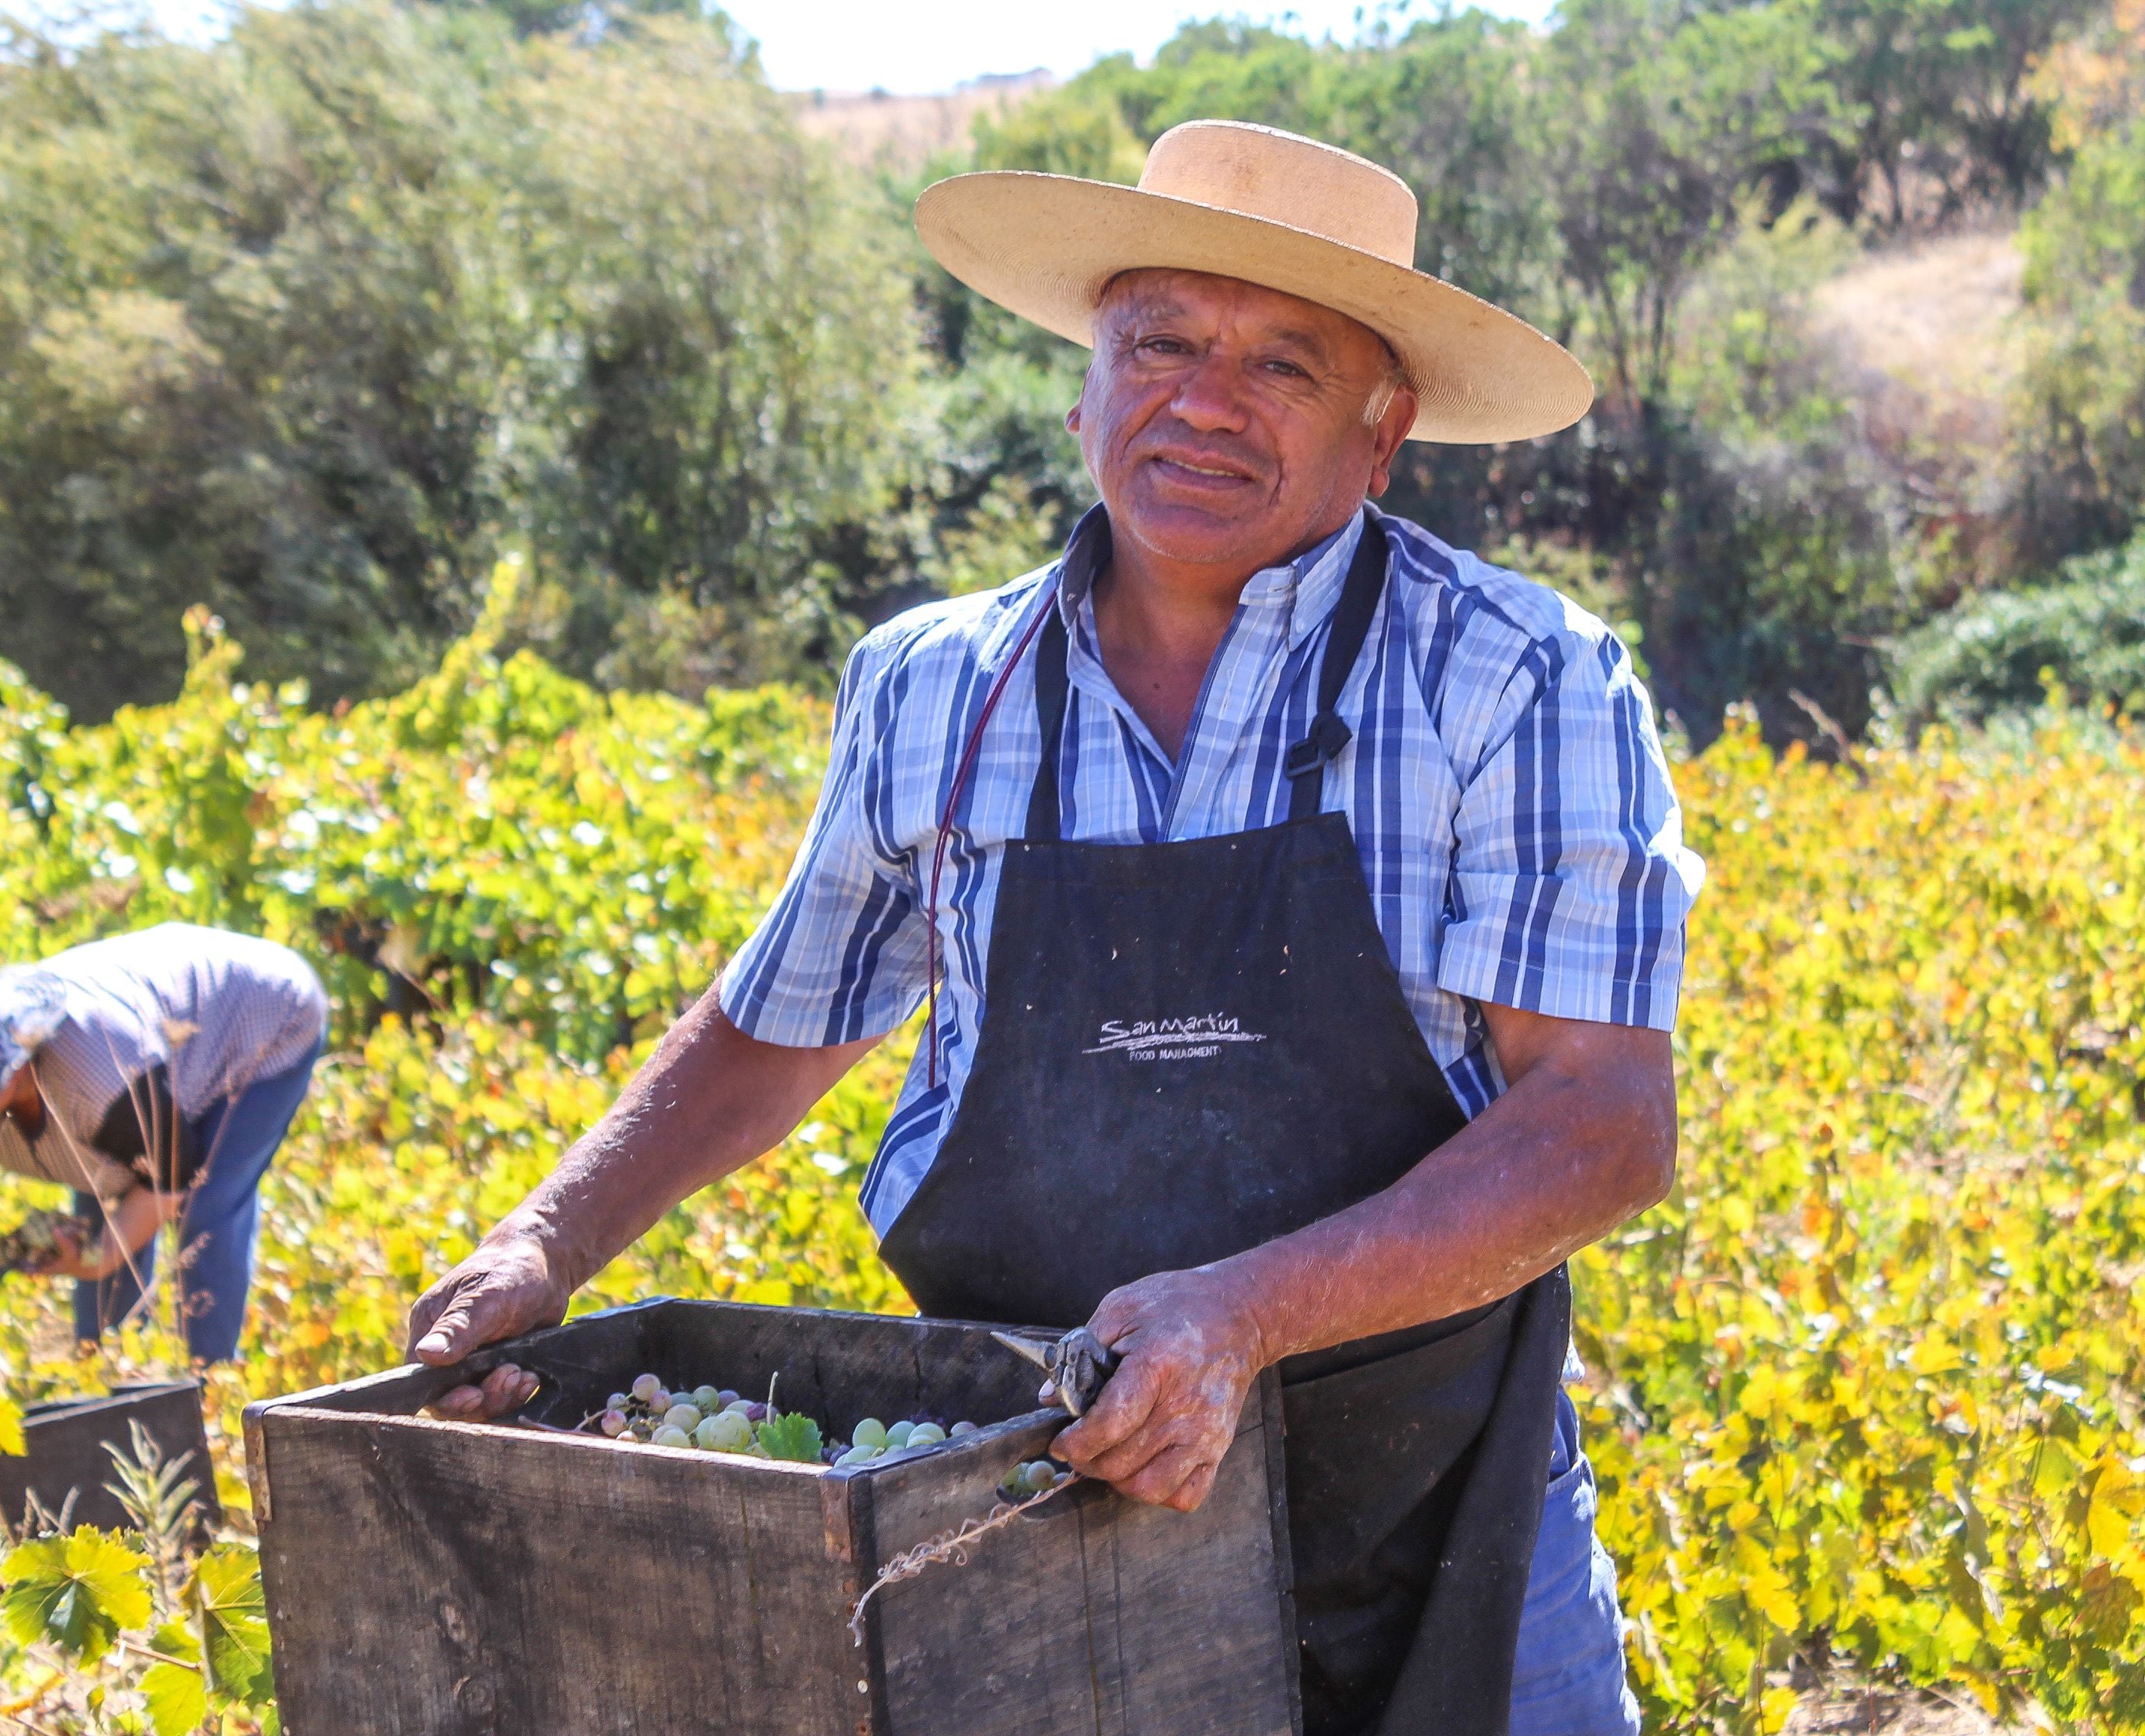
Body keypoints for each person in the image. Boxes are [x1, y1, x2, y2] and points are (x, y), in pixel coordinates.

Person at [407, 121, 1702, 1733]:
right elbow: (782, 1014)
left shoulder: (1519, 675)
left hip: (1432, 1496)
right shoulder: (932, 684)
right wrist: (549, 1237)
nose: (1205, 399)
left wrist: (1242, 1315)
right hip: (1039, 1479)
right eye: (1160, 341)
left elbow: (1600, 1122)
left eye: (1286, 365)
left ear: (1387, 430)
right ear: (1088, 383)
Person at [0, 922, 327, 1364]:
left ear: (16, 1066)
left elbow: (170, 1184)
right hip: (159, 1050)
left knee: (206, 1215)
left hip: (261, 1021)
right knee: (102, 1206)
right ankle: (109, 1384)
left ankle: (212, 1397)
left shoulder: (102, 1079)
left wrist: (98, 1259)